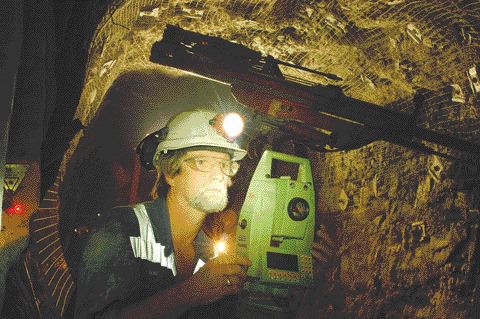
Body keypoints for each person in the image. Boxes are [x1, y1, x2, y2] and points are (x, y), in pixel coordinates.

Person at [73, 108, 252, 319]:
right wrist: (190, 293)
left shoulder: (209, 253)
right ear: (170, 173)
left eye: (224, 164)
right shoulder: (123, 229)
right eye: (202, 162)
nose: (218, 175)